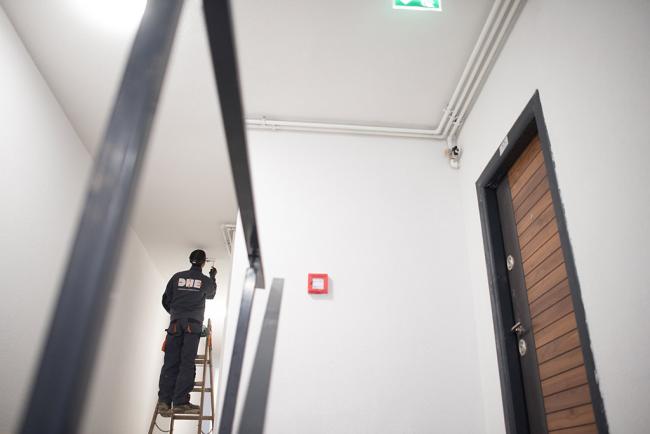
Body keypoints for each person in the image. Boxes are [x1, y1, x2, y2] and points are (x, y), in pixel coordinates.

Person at [156, 249, 217, 417]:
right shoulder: (204, 280)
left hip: (175, 325)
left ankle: (164, 402)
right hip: (192, 326)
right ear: (203, 263)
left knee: (170, 362)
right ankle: (181, 403)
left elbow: (165, 299)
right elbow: (211, 294)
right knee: (187, 363)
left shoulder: (177, 277)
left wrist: (176, 314)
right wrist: (213, 277)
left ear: (190, 260)